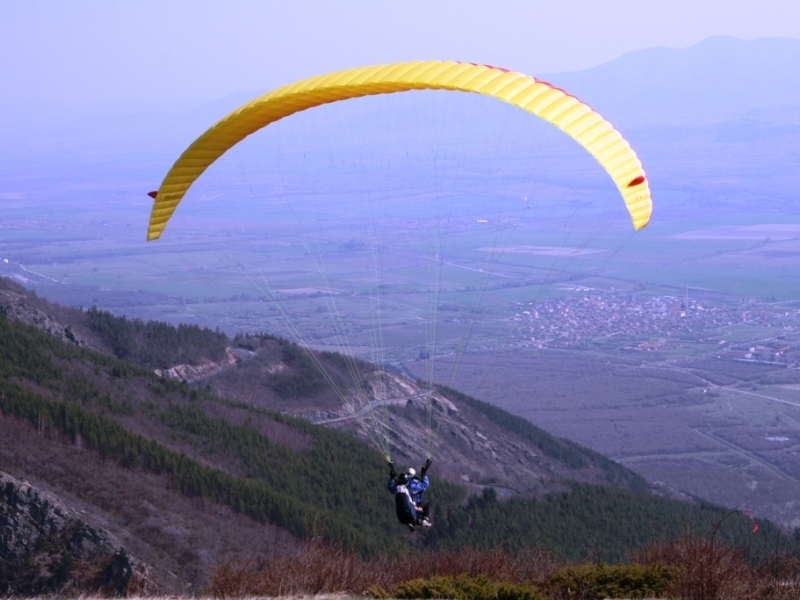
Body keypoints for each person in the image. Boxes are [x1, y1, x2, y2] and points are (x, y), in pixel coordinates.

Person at [387, 459, 432, 531]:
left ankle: (415, 520)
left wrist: (392, 478)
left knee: (415, 511)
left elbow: (390, 488)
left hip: (404, 509)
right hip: (415, 506)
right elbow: (424, 485)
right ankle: (424, 519)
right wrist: (423, 474)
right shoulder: (413, 486)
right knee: (427, 503)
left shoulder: (399, 486)